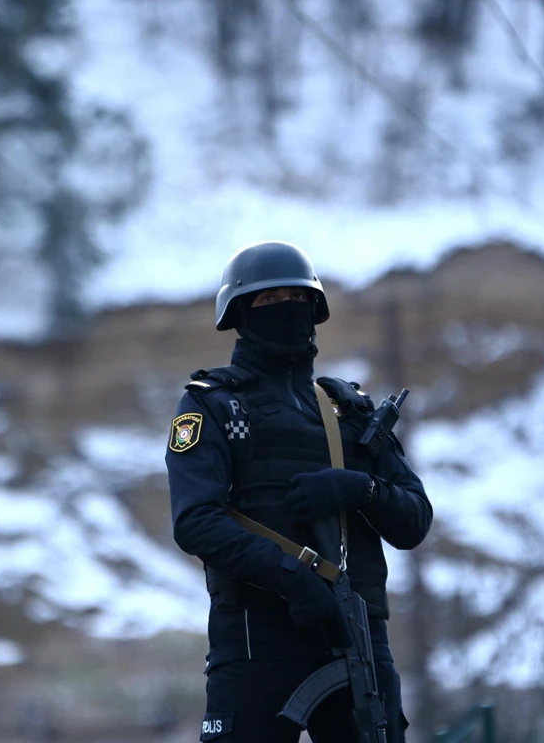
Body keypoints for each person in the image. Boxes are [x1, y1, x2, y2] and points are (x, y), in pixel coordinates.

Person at [165, 240, 433, 742]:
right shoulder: (211, 406)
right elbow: (195, 520)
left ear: (315, 310)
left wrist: (361, 489)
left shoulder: (349, 411)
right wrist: (294, 579)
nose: (285, 308)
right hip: (255, 634)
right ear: (239, 313)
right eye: (268, 300)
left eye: (296, 297)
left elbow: (415, 520)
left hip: (356, 634)